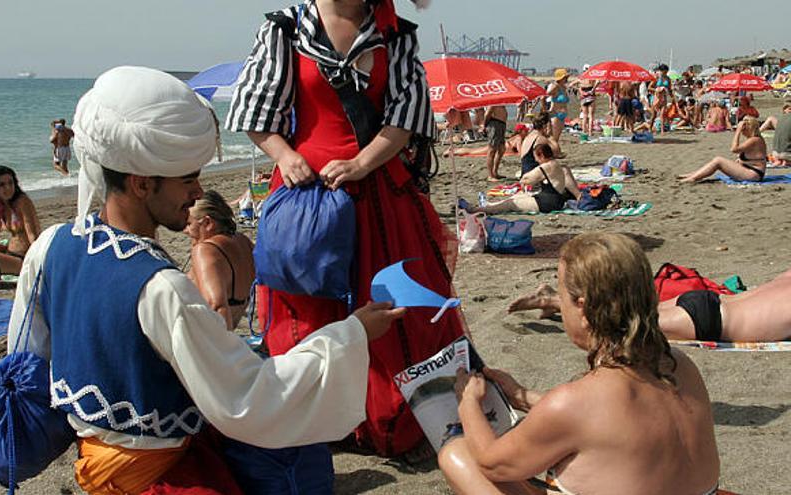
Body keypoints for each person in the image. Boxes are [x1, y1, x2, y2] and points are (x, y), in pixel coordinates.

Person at [7, 66, 406, 494]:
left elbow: (26, 359)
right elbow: (249, 396)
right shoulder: (161, 288)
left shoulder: (50, 246)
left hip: (92, 464)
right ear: (141, 184)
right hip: (163, 477)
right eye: (187, 179)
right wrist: (351, 333)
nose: (198, 193)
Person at [227, 0, 465, 458]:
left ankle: (385, 419)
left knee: (393, 307)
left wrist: (361, 162)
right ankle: (318, 418)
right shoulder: (285, 28)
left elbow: (406, 117)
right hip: (308, 195)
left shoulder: (397, 34)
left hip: (379, 194)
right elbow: (258, 113)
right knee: (311, 305)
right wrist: (285, 155)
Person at [439, 232, 720, 495]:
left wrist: (469, 403)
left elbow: (492, 464)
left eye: (561, 297)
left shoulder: (575, 402)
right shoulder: (680, 365)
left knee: (457, 454)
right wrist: (522, 397)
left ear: (583, 308)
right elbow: (612, 423)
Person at [510, 267, 791, 343]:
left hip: (710, 299)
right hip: (710, 321)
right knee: (616, 325)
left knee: (625, 312)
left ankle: (556, 302)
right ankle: (551, 300)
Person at [185, 190, 255, 331]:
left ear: (208, 223)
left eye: (188, 224)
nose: (184, 230)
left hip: (206, 339)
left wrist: (223, 350)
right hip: (229, 329)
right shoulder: (243, 241)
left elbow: (216, 306)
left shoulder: (205, 250)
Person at [463, 144, 579, 214]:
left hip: (547, 204)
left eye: (536, 158)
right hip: (553, 200)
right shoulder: (555, 164)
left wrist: (524, 180)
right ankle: (489, 205)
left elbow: (527, 179)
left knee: (511, 204)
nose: (536, 161)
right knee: (517, 196)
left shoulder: (546, 166)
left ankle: (478, 210)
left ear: (542, 156)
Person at [679, 116, 767, 183]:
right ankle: (692, 175)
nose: (742, 132)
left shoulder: (755, 140)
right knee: (716, 160)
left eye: (744, 129)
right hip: (749, 171)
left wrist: (737, 131)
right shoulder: (753, 139)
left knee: (718, 161)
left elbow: (734, 149)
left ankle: (692, 178)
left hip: (754, 174)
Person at [546, 69, 570, 155]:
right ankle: (554, 153)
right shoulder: (554, 86)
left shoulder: (563, 87)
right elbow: (544, 96)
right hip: (555, 114)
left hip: (562, 114)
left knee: (557, 137)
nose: (567, 79)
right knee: (553, 138)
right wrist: (545, 108)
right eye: (565, 77)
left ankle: (553, 153)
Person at [483, 105, 509, 180]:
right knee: (492, 150)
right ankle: (490, 175)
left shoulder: (501, 101)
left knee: (501, 149)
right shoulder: (494, 101)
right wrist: (484, 126)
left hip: (501, 124)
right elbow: (488, 112)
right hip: (494, 123)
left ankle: (495, 172)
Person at [648, 64, 675, 133]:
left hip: (664, 97)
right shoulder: (657, 77)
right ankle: (649, 128)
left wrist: (672, 97)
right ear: (661, 71)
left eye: (666, 72)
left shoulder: (668, 78)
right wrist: (657, 89)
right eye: (664, 71)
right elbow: (649, 87)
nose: (665, 73)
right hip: (656, 97)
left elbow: (669, 89)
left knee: (662, 114)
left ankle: (662, 130)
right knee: (653, 115)